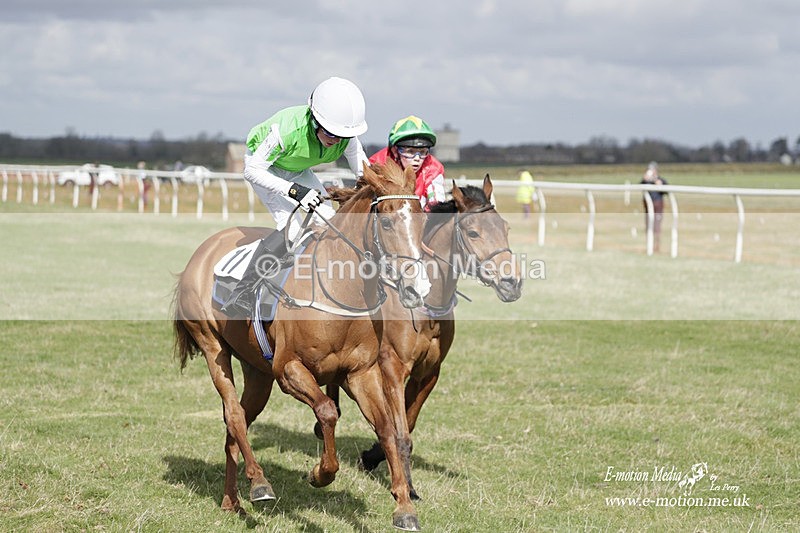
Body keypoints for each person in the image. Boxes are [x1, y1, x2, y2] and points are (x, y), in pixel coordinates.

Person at [222, 76, 370, 314]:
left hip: (297, 170)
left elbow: (366, 174)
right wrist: (292, 190)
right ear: (314, 119)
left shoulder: (347, 137)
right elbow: (251, 170)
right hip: (265, 168)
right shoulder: (288, 129)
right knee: (291, 229)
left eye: (341, 136)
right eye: (331, 134)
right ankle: (243, 292)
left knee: (329, 220)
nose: (336, 142)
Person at [368, 115, 445, 210]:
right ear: (395, 151)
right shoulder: (378, 163)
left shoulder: (434, 168)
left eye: (422, 152)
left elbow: (437, 205)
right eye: (410, 152)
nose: (417, 158)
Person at [641, 161, 668, 252]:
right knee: (648, 227)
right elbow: (640, 186)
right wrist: (645, 180)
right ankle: (649, 246)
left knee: (657, 228)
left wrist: (658, 183)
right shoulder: (646, 181)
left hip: (657, 206)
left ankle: (657, 246)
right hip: (648, 207)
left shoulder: (661, 180)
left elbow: (666, 190)